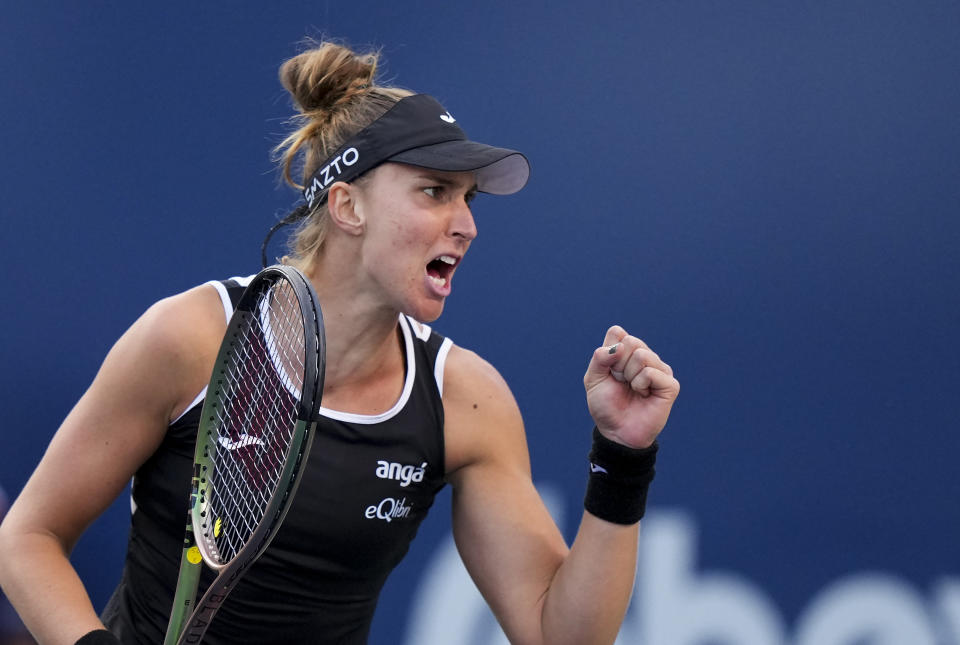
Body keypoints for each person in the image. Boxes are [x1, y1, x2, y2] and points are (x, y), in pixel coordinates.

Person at [0, 41, 679, 645]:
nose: (467, 224)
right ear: (347, 205)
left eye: (471, 199)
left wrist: (623, 456)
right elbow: (26, 538)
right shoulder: (191, 338)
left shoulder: (466, 400)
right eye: (435, 191)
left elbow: (560, 634)